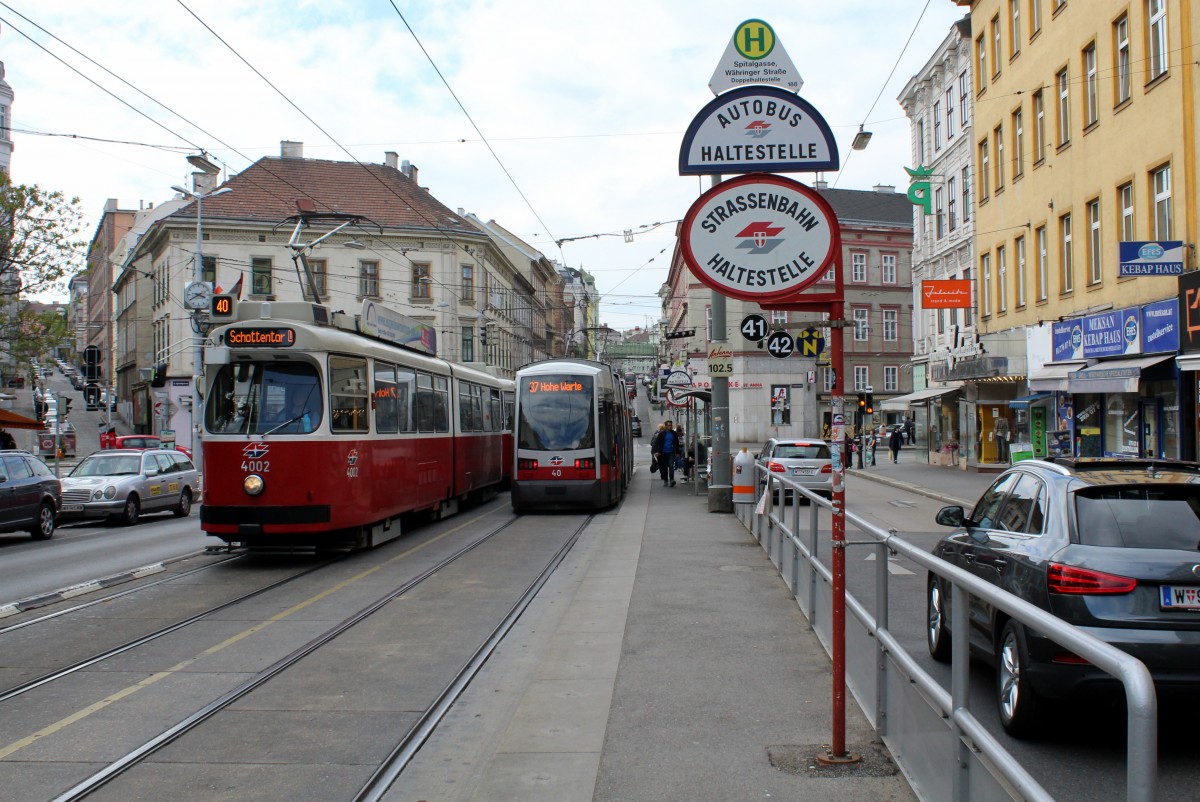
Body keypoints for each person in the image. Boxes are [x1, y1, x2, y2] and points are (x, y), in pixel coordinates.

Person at [653, 420, 678, 487]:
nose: (670, 426)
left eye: (671, 425)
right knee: (665, 467)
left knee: (671, 466)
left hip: (671, 452)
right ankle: (666, 480)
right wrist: (656, 451)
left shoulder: (674, 433)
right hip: (663, 453)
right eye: (669, 425)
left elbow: (676, 443)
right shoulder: (662, 433)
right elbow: (656, 442)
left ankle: (672, 480)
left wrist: (677, 452)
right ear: (666, 426)